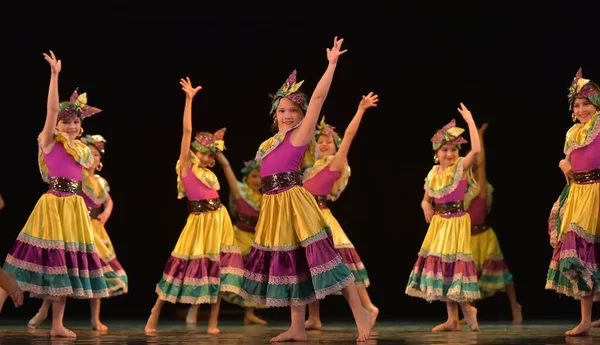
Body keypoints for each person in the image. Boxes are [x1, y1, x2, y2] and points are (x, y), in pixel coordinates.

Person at [238, 37, 372, 343]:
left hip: (296, 203)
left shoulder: (300, 136)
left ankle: (361, 315)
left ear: (301, 116)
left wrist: (332, 64)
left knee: (328, 260)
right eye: (282, 111)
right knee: (291, 265)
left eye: (293, 112)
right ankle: (297, 327)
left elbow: (319, 99)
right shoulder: (268, 145)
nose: (287, 115)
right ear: (275, 114)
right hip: (274, 206)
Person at [0, 51, 116, 338]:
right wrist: (54, 77)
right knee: (20, 261)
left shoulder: (80, 150)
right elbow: (51, 111)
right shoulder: (50, 142)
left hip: (74, 207)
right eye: (67, 122)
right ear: (57, 126)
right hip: (53, 204)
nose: (72, 126)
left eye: (76, 122)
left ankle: (56, 324)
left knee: (61, 265)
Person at [144, 77, 244, 335]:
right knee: (180, 265)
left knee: (218, 269)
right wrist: (189, 100)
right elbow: (186, 132)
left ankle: (212, 322)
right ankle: (154, 314)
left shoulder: (209, 172)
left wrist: (217, 145)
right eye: (203, 152)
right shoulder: (186, 166)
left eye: (211, 154)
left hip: (219, 218)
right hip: (198, 221)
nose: (207, 157)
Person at [26, 134, 129, 331]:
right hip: (77, 223)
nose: (94, 157)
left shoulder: (100, 182)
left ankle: (95, 318)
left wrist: (105, 214)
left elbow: (108, 201)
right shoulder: (77, 173)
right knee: (62, 270)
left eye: (98, 154)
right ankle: (43, 311)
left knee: (98, 271)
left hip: (97, 230)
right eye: (91, 152)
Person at [303, 94, 379, 331]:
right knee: (309, 268)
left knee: (345, 265)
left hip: (323, 219)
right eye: (321, 141)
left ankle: (368, 307)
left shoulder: (336, 163)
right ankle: (314, 317)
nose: (324, 144)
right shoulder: (309, 168)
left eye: (329, 141)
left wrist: (361, 109)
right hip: (306, 218)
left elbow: (349, 135)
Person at [405, 105, 481, 332]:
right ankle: (452, 319)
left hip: (457, 221)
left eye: (453, 150)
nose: (449, 154)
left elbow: (475, 150)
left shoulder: (460, 167)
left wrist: (469, 120)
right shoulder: (432, 173)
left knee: (454, 264)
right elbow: (425, 199)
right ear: (436, 152)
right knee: (443, 267)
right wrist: (425, 206)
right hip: (439, 223)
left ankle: (468, 308)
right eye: (444, 150)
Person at [546, 68, 600, 336]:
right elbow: (568, 160)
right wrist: (563, 163)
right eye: (577, 105)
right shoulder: (572, 133)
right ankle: (586, 320)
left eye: (586, 103)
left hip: (598, 192)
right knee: (579, 253)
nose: (581, 109)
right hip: (579, 194)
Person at [460, 123, 522, 324]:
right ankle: (470, 313)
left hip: (485, 237)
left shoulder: (480, 186)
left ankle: (515, 307)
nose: (474, 162)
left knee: (501, 275)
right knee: (470, 278)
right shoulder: (461, 189)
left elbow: (482, 162)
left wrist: (479, 137)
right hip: (467, 238)